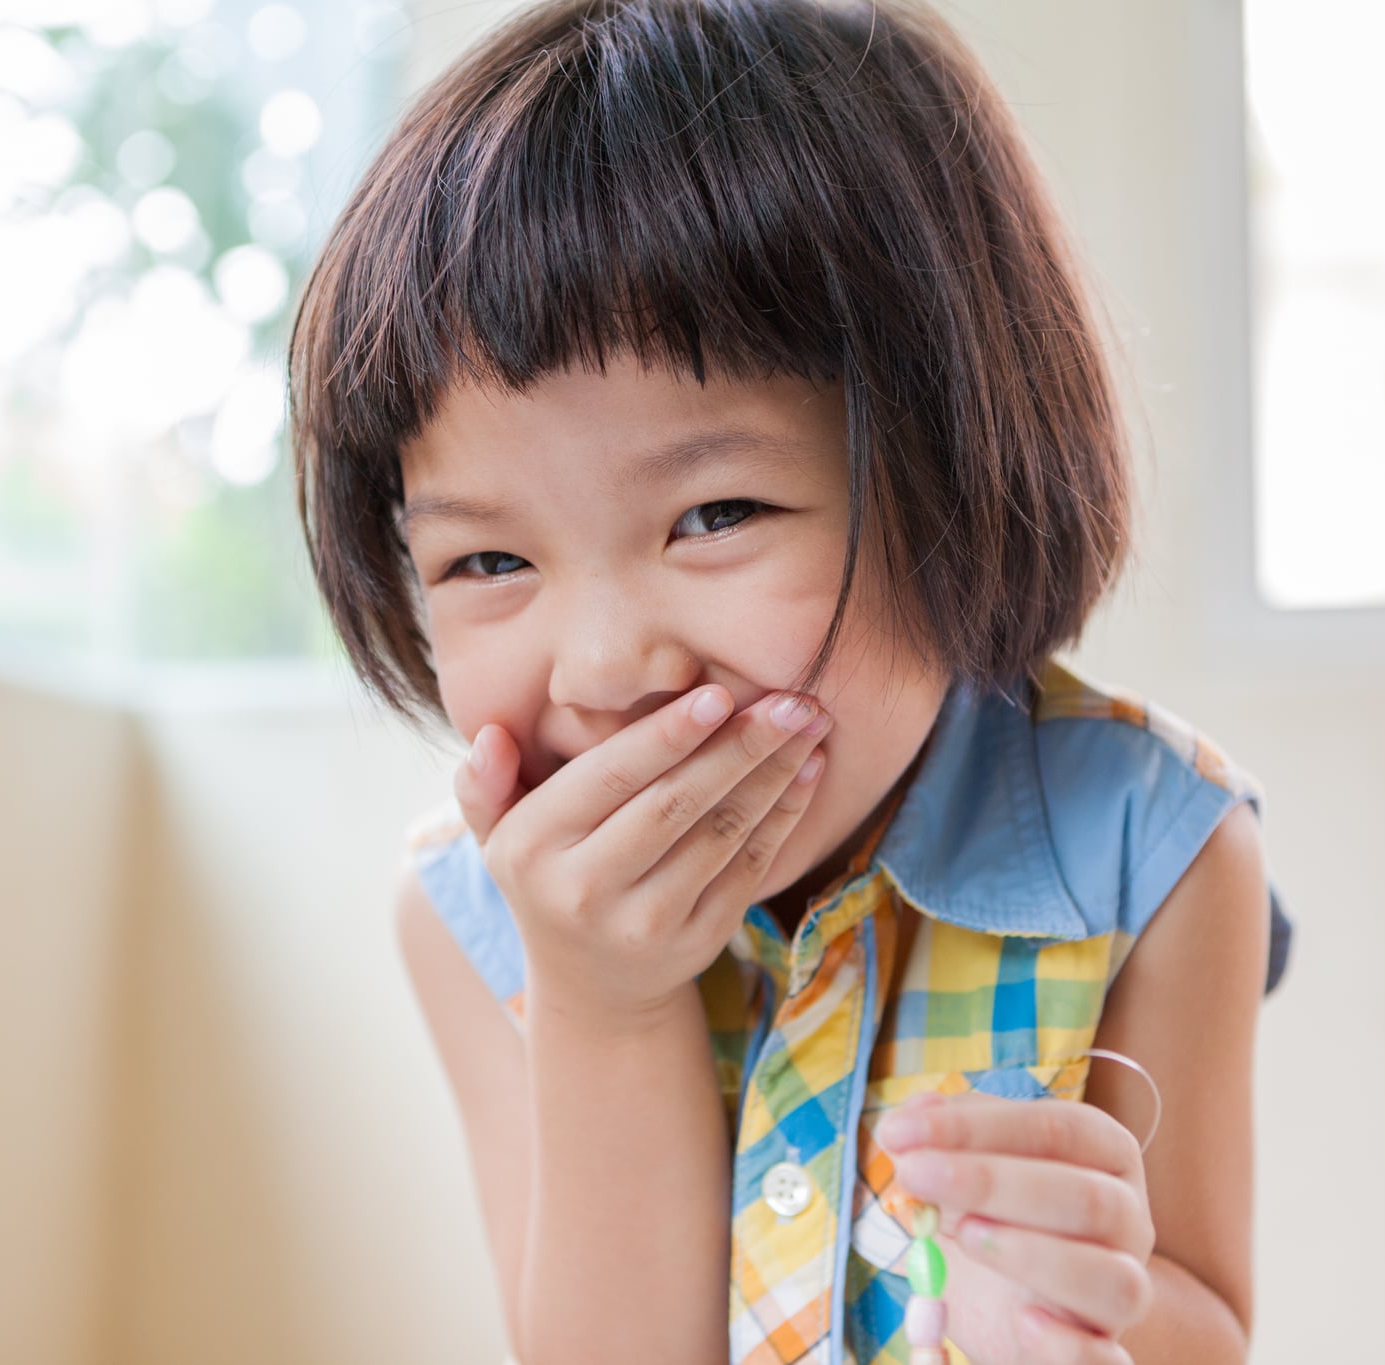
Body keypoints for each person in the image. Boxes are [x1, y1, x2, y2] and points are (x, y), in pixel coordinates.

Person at [286, 2, 1294, 1361]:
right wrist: (606, 1002)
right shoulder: (468, 916)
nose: (605, 668)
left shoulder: (1152, 849)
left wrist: (1087, 1308)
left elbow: (1208, 1325)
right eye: (489, 558)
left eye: (717, 514)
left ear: (956, 471)